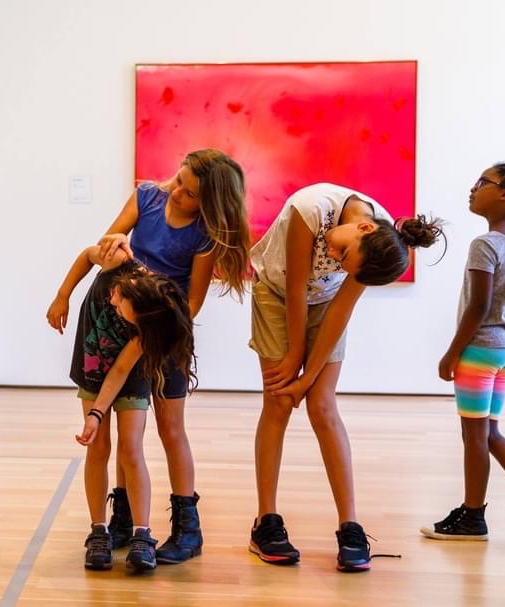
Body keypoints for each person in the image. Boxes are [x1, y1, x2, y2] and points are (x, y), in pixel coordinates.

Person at [48, 149, 249, 563]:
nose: (176, 192)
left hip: (164, 334)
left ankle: (188, 529)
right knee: (129, 429)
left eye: (189, 193)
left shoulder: (204, 235)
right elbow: (106, 252)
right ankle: (122, 519)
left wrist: (151, 327)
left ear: (209, 203)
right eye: (178, 180)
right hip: (121, 322)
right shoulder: (147, 198)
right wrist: (86, 277)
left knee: (170, 429)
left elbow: (192, 303)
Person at [248, 183, 443, 572]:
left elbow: (339, 311)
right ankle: (265, 521)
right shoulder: (309, 210)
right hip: (277, 292)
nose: (335, 258)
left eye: (343, 261)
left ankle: (349, 525)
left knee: (322, 405)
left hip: (325, 303)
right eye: (343, 253)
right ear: (364, 228)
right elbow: (295, 289)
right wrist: (295, 361)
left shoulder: (378, 246)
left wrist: (308, 377)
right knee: (280, 400)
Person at [421, 163, 505, 544]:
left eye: (483, 182)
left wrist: (451, 353)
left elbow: (478, 306)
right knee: (490, 432)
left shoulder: (486, 243)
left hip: (481, 351)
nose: (473, 188)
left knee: (474, 435)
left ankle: (473, 517)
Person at [68, 245, 195, 572]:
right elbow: (88, 254)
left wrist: (97, 413)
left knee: (131, 449)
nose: (113, 304)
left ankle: (142, 534)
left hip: (129, 378)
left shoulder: (144, 323)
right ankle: (99, 531)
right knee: (98, 447)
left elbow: (122, 370)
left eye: (121, 310)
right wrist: (62, 296)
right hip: (92, 369)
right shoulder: (118, 260)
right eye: (120, 304)